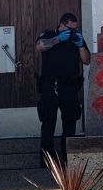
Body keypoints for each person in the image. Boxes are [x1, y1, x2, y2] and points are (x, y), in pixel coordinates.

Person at [35, 13, 89, 167]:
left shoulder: (77, 38)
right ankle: (46, 159)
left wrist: (80, 45)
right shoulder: (49, 35)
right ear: (62, 25)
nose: (73, 32)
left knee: (70, 124)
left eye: (75, 29)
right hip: (50, 86)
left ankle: (68, 157)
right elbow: (39, 46)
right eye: (70, 29)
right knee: (48, 123)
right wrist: (59, 38)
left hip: (69, 87)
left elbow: (86, 60)